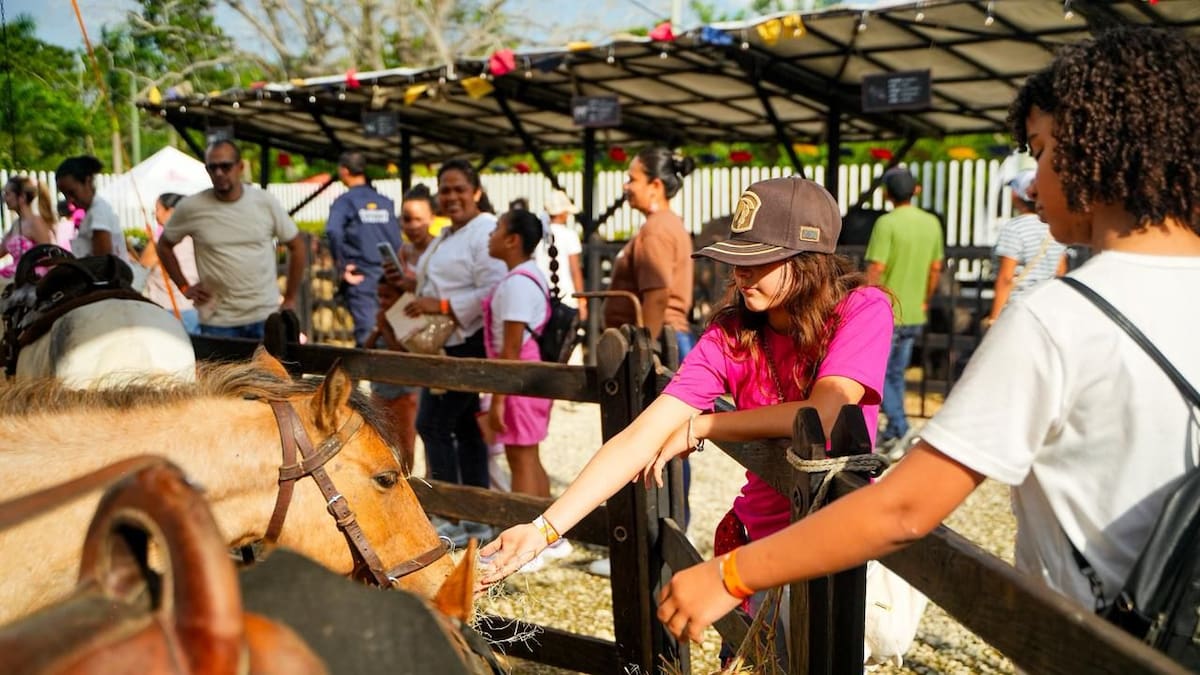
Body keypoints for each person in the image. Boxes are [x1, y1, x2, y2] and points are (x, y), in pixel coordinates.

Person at [643, 25, 1200, 645]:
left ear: (1098, 145)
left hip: (1100, 644)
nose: (1035, 177)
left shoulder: (1057, 319)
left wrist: (732, 574)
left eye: (1042, 150)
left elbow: (906, 509)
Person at [481, 177, 894, 596]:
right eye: (736, 258)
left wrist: (705, 426)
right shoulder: (732, 333)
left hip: (835, 542)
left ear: (808, 260)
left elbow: (822, 414)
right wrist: (542, 530)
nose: (741, 272)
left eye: (760, 259)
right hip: (758, 545)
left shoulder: (861, 309)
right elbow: (639, 438)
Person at [402, 159, 506, 544]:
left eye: (459, 189)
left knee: (432, 424)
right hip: (446, 343)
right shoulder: (448, 232)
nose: (451, 196)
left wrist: (443, 305)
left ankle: (451, 513)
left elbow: (493, 289)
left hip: (468, 342)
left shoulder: (485, 230)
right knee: (465, 429)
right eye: (445, 190)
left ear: (476, 192)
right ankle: (474, 517)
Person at [482, 208, 572, 571]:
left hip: (517, 380)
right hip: (529, 377)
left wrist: (497, 401)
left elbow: (510, 348)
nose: (490, 236)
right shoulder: (527, 275)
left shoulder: (517, 283)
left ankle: (525, 545)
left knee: (520, 458)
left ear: (512, 240)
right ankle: (551, 538)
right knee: (529, 455)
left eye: (496, 229)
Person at [156, 140, 306, 340]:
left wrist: (290, 298)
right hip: (218, 321)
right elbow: (164, 246)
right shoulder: (192, 207)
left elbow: (297, 246)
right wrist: (184, 286)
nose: (219, 173)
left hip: (264, 316)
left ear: (240, 167)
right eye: (212, 167)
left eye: (225, 166)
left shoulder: (264, 202)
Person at [865, 167, 944, 454]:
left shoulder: (886, 223)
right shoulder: (931, 223)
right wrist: (925, 299)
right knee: (897, 374)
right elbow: (936, 267)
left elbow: (877, 267)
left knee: (879, 375)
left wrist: (865, 300)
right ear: (917, 190)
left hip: (886, 311)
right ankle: (893, 431)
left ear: (887, 194)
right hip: (915, 310)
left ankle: (901, 427)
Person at [605, 147, 696, 355]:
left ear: (655, 185)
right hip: (669, 340)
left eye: (632, 179)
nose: (626, 186)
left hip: (661, 344)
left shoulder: (656, 229)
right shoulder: (668, 222)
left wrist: (643, 351)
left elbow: (658, 296)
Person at [325, 150, 403, 347]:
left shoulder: (345, 202)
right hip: (389, 276)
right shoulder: (384, 201)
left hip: (362, 276)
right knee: (393, 330)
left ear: (344, 171)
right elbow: (397, 238)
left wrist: (342, 266)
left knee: (368, 334)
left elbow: (333, 231)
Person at [982, 169, 1068, 328]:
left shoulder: (1014, 228)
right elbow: (1060, 271)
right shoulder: (1053, 228)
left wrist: (994, 318)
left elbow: (1006, 277)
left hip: (1018, 309)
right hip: (1047, 309)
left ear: (1017, 195)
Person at [140, 193, 200, 334]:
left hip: (168, 309)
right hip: (193, 308)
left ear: (171, 212)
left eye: (158, 209)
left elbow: (143, 266)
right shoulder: (196, 236)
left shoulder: (160, 240)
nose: (155, 215)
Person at [54, 156, 130, 261]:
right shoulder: (94, 211)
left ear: (88, 181)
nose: (69, 200)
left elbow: (102, 262)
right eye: (65, 195)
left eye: (72, 192)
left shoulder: (98, 213)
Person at [534, 190, 587, 324]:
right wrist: (581, 299)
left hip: (541, 295)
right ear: (563, 213)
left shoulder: (537, 235)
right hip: (567, 296)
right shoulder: (570, 235)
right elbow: (575, 269)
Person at [0, 176, 56, 278]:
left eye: (8, 194)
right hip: (17, 276)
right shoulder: (16, 224)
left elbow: (48, 255)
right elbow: (2, 250)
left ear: (22, 197)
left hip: (33, 278)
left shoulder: (36, 223)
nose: (4, 199)